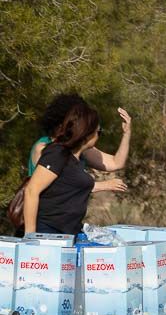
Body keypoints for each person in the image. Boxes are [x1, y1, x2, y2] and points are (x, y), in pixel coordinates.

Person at [23, 99, 128, 236]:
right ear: (86, 133)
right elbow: (32, 190)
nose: (99, 135)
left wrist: (127, 133)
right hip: (48, 231)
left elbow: (116, 162)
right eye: (99, 132)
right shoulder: (54, 152)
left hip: (68, 231)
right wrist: (30, 236)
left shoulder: (78, 154)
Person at [28, 94, 132, 178]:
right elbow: (51, 189)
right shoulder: (43, 148)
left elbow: (116, 162)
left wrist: (126, 133)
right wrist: (103, 186)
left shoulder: (78, 148)